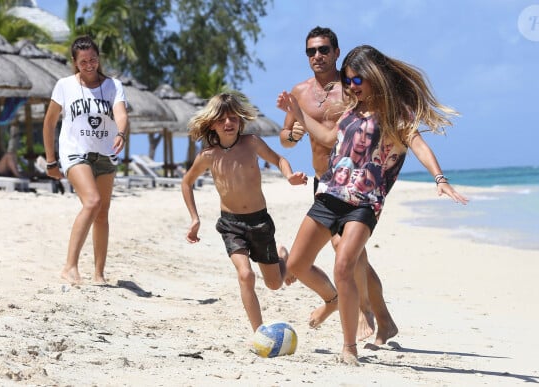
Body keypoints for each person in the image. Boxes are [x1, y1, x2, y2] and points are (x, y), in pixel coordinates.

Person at [277, 44, 469, 364]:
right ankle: (337, 300)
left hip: (365, 204)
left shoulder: (397, 114)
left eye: (356, 81)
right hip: (329, 195)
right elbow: (326, 139)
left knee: (345, 265)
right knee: (296, 265)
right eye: (348, 81)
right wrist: (297, 113)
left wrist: (440, 179)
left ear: (374, 77)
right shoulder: (351, 111)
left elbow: (418, 145)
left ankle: (349, 347)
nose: (352, 87)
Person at [280, 26, 396, 344]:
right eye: (311, 51)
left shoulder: (353, 87)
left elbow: (384, 121)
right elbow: (286, 136)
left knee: (346, 254)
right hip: (325, 182)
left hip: (359, 183)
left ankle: (362, 314)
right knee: (350, 255)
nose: (317, 56)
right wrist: (292, 135)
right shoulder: (300, 92)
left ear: (336, 52)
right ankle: (380, 319)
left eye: (323, 50)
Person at [181, 92, 308, 332]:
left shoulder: (252, 143)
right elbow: (186, 183)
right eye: (221, 119)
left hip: (259, 222)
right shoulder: (208, 155)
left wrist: (290, 176)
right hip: (231, 225)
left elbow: (279, 159)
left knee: (274, 284)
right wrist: (195, 219)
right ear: (212, 124)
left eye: (233, 118)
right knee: (246, 275)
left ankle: (283, 257)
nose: (228, 123)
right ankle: (259, 332)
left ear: (240, 120)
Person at [42, 35, 129, 285]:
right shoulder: (65, 85)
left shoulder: (113, 86)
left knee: (102, 214)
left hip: (105, 153)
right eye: (83, 61)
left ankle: (99, 274)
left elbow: (121, 114)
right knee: (92, 202)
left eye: (92, 59)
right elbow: (49, 123)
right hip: (74, 152)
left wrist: (121, 133)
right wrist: (51, 161)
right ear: (75, 62)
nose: (89, 65)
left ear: (98, 59)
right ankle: (69, 267)